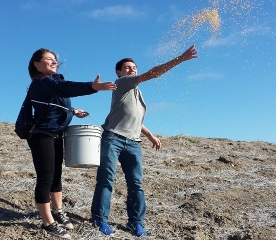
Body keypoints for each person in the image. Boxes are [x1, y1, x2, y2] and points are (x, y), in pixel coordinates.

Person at [90, 44, 198, 237]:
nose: (132, 70)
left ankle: (136, 222)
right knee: (106, 180)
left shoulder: (136, 93)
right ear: (119, 72)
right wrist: (180, 59)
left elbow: (133, 118)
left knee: (136, 183)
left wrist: (150, 135)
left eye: (134, 67)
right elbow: (154, 73)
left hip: (133, 142)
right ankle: (99, 219)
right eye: (127, 68)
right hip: (112, 138)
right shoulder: (122, 83)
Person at [26, 48, 116, 239]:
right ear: (36, 64)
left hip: (57, 134)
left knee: (56, 174)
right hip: (42, 134)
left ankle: (58, 211)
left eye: (55, 60)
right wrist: (92, 87)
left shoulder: (52, 82)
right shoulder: (42, 82)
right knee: (45, 178)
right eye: (48, 59)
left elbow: (55, 101)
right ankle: (48, 222)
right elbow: (64, 88)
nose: (53, 62)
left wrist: (73, 111)